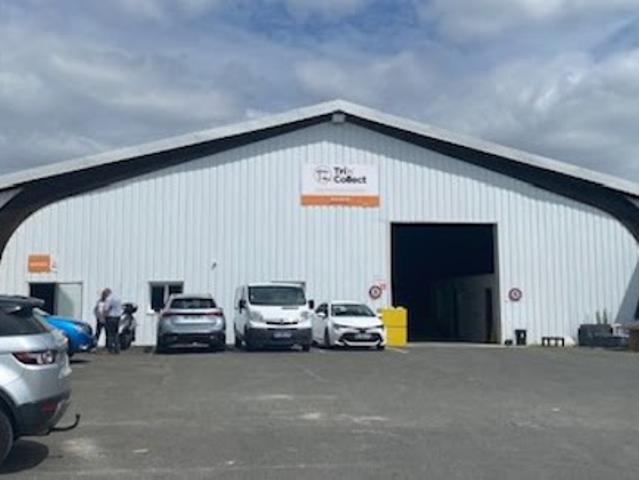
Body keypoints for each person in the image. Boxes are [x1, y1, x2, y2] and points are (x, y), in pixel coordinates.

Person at [102, 288, 123, 354]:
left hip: (110, 317)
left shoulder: (108, 299)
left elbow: (106, 308)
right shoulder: (117, 298)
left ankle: (110, 349)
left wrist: (103, 315)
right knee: (116, 333)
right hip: (118, 317)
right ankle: (117, 349)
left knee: (110, 334)